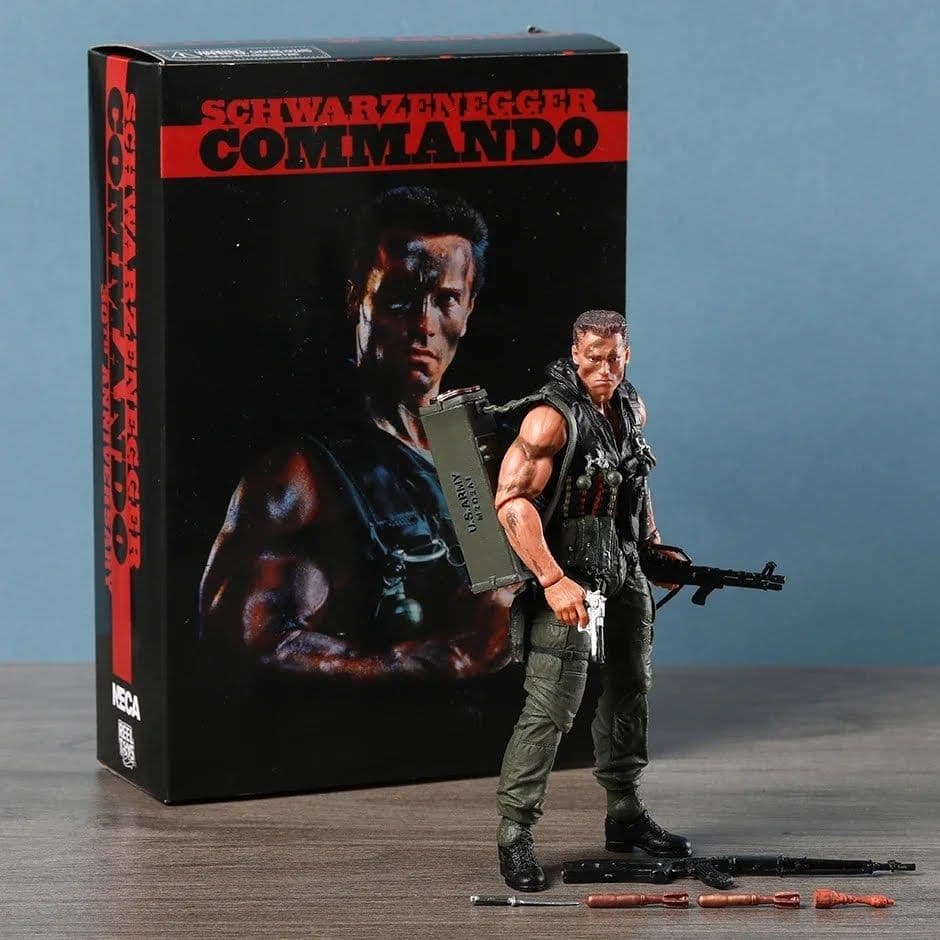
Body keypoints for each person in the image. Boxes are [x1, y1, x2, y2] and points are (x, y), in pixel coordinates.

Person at [199, 186, 511, 679]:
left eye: (446, 300)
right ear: (357, 301)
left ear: (468, 311)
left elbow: (496, 605)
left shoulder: (468, 444)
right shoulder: (299, 475)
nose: (423, 325)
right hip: (372, 723)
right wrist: (425, 663)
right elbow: (247, 641)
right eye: (401, 296)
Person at [492, 309, 692, 891]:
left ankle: (625, 814)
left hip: (624, 570)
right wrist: (553, 580)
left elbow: (635, 483)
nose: (604, 369)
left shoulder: (630, 407)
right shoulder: (549, 420)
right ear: (575, 353)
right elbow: (512, 504)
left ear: (627, 355)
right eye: (593, 358)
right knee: (552, 705)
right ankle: (514, 832)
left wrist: (652, 546)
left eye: (614, 358)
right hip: (571, 579)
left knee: (631, 689)